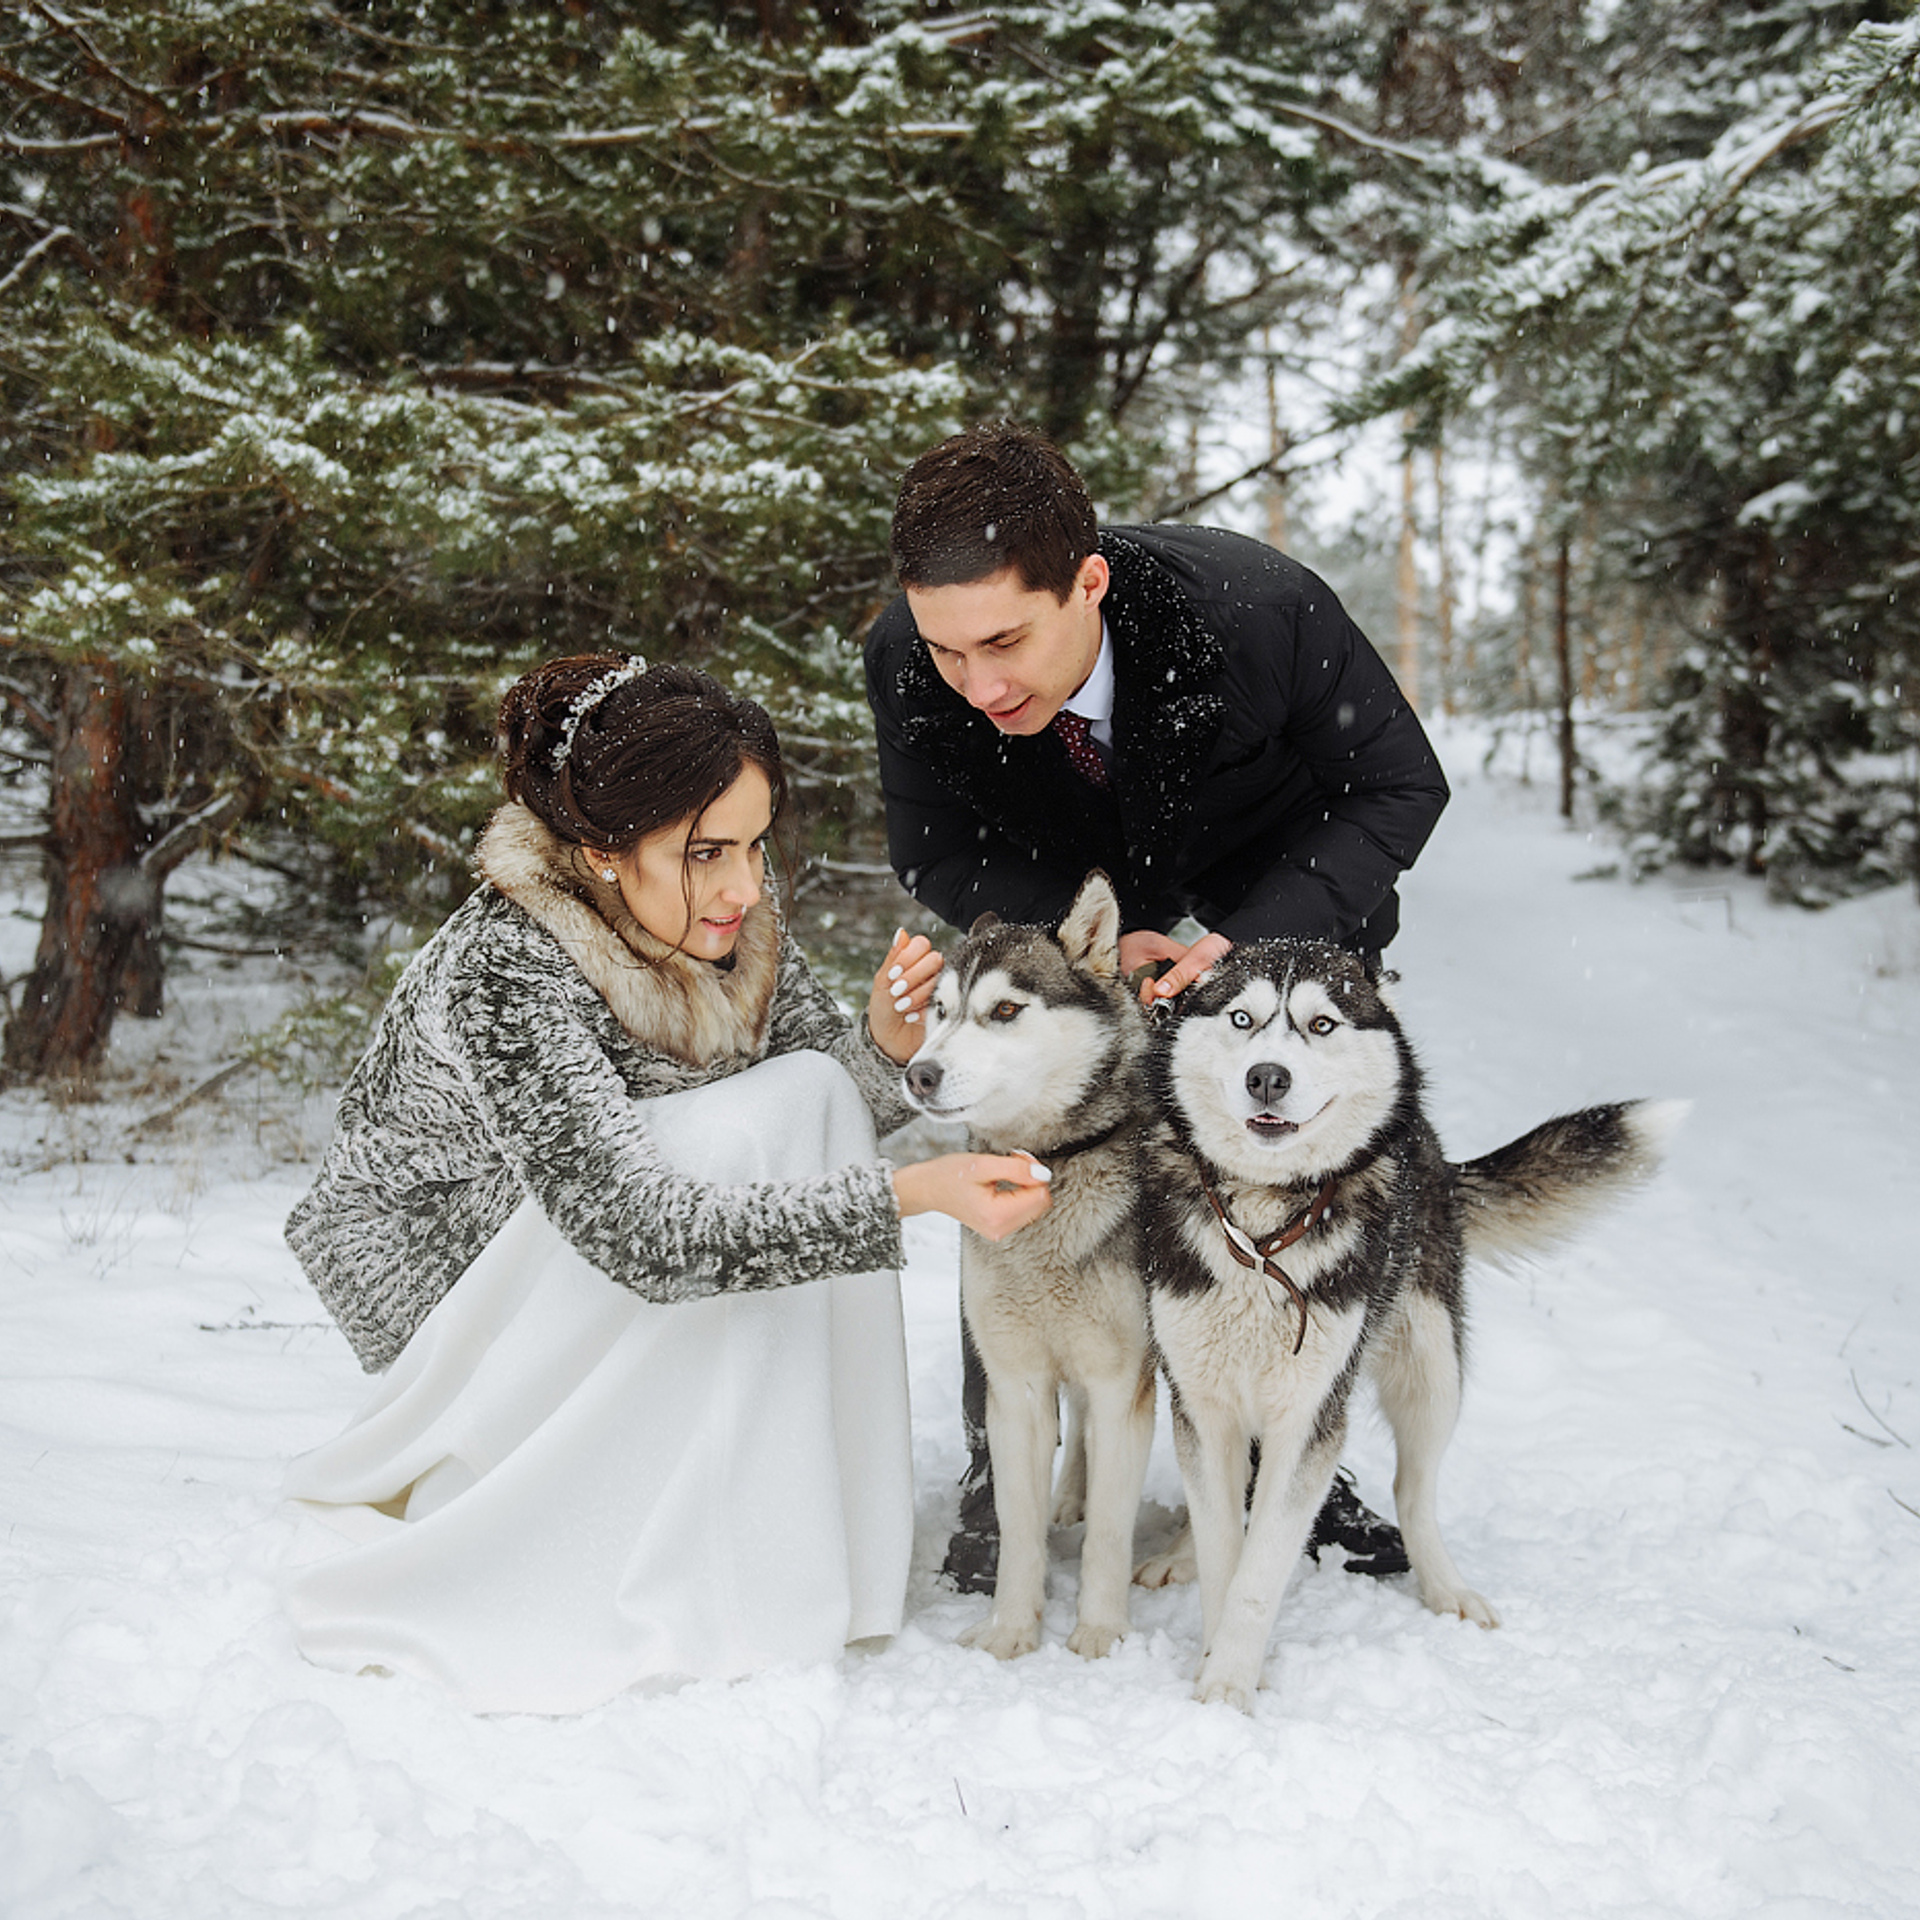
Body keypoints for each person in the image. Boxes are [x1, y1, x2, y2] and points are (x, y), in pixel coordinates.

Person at [280, 655, 1051, 1713]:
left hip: (613, 1244)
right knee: (728, 1140)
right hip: (459, 1295)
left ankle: (796, 1533)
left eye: (753, 843)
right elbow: (643, 1232)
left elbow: (826, 1110)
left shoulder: (729, 906)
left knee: (797, 1091)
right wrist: (909, 1196)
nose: (743, 884)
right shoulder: (505, 965)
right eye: (706, 853)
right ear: (601, 850)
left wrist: (881, 1044)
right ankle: (646, 1539)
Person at [863, 421, 1451, 1592]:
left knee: (1270, 1186)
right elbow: (935, 848)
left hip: (1274, 935)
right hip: (1075, 943)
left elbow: (1396, 783)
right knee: (1029, 1176)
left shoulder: (1258, 611)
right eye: (946, 651)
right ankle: (1006, 1455)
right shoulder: (907, 652)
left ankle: (1282, 1462)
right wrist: (1081, 933)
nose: (976, 686)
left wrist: (1241, 941)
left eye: (1004, 642)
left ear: (1089, 581)